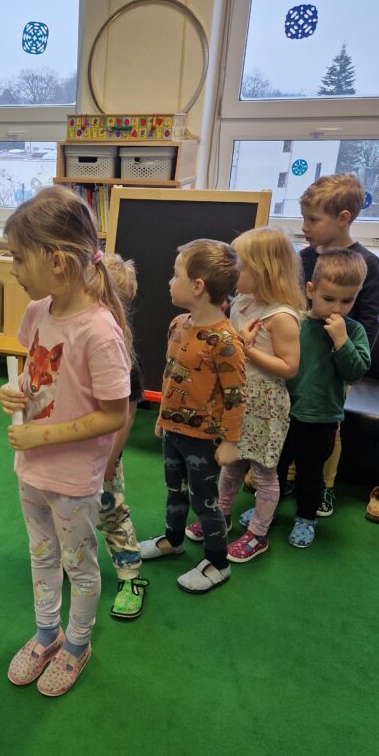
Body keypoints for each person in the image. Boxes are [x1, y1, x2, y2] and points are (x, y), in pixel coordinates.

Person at [0, 187, 130, 697]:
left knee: (79, 566)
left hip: (73, 478)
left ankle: (76, 643)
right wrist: (13, 392)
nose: (12, 269)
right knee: (42, 556)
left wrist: (40, 433)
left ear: (57, 261)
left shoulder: (99, 332)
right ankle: (46, 633)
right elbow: (35, 378)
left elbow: (114, 415)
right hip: (31, 468)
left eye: (18, 258)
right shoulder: (38, 312)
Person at [185, 227, 303, 563]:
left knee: (264, 473)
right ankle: (220, 516)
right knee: (231, 462)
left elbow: (289, 367)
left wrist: (245, 348)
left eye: (240, 267)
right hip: (236, 400)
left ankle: (258, 534)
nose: (233, 274)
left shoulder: (282, 316)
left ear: (264, 270)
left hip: (265, 405)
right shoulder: (242, 303)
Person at [139, 240, 246, 594]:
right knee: (175, 490)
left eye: (176, 275)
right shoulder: (178, 325)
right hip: (173, 431)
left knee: (205, 501)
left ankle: (218, 562)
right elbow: (170, 377)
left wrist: (231, 441)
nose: (170, 281)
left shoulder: (226, 342)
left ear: (198, 286)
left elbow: (236, 397)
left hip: (203, 439)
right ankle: (173, 540)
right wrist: (162, 417)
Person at [270, 249, 370, 547]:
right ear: (310, 290)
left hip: (322, 418)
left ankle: (306, 518)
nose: (337, 308)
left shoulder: (354, 330)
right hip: (284, 413)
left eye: (347, 301)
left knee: (311, 474)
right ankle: (267, 510)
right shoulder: (295, 323)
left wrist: (341, 341)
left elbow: (355, 371)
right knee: (274, 468)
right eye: (329, 298)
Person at [297, 173, 379, 517]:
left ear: (343, 218)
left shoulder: (368, 264)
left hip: (338, 363)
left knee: (328, 429)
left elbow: (369, 320)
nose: (305, 227)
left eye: (313, 220)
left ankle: (325, 485)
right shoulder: (305, 258)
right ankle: (292, 475)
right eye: (303, 218)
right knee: (295, 421)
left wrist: (353, 367)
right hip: (301, 360)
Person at [97, 253, 149, 620]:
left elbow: (127, 414)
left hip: (104, 455)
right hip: (72, 452)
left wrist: (110, 459)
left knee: (110, 511)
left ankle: (130, 577)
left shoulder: (122, 355)